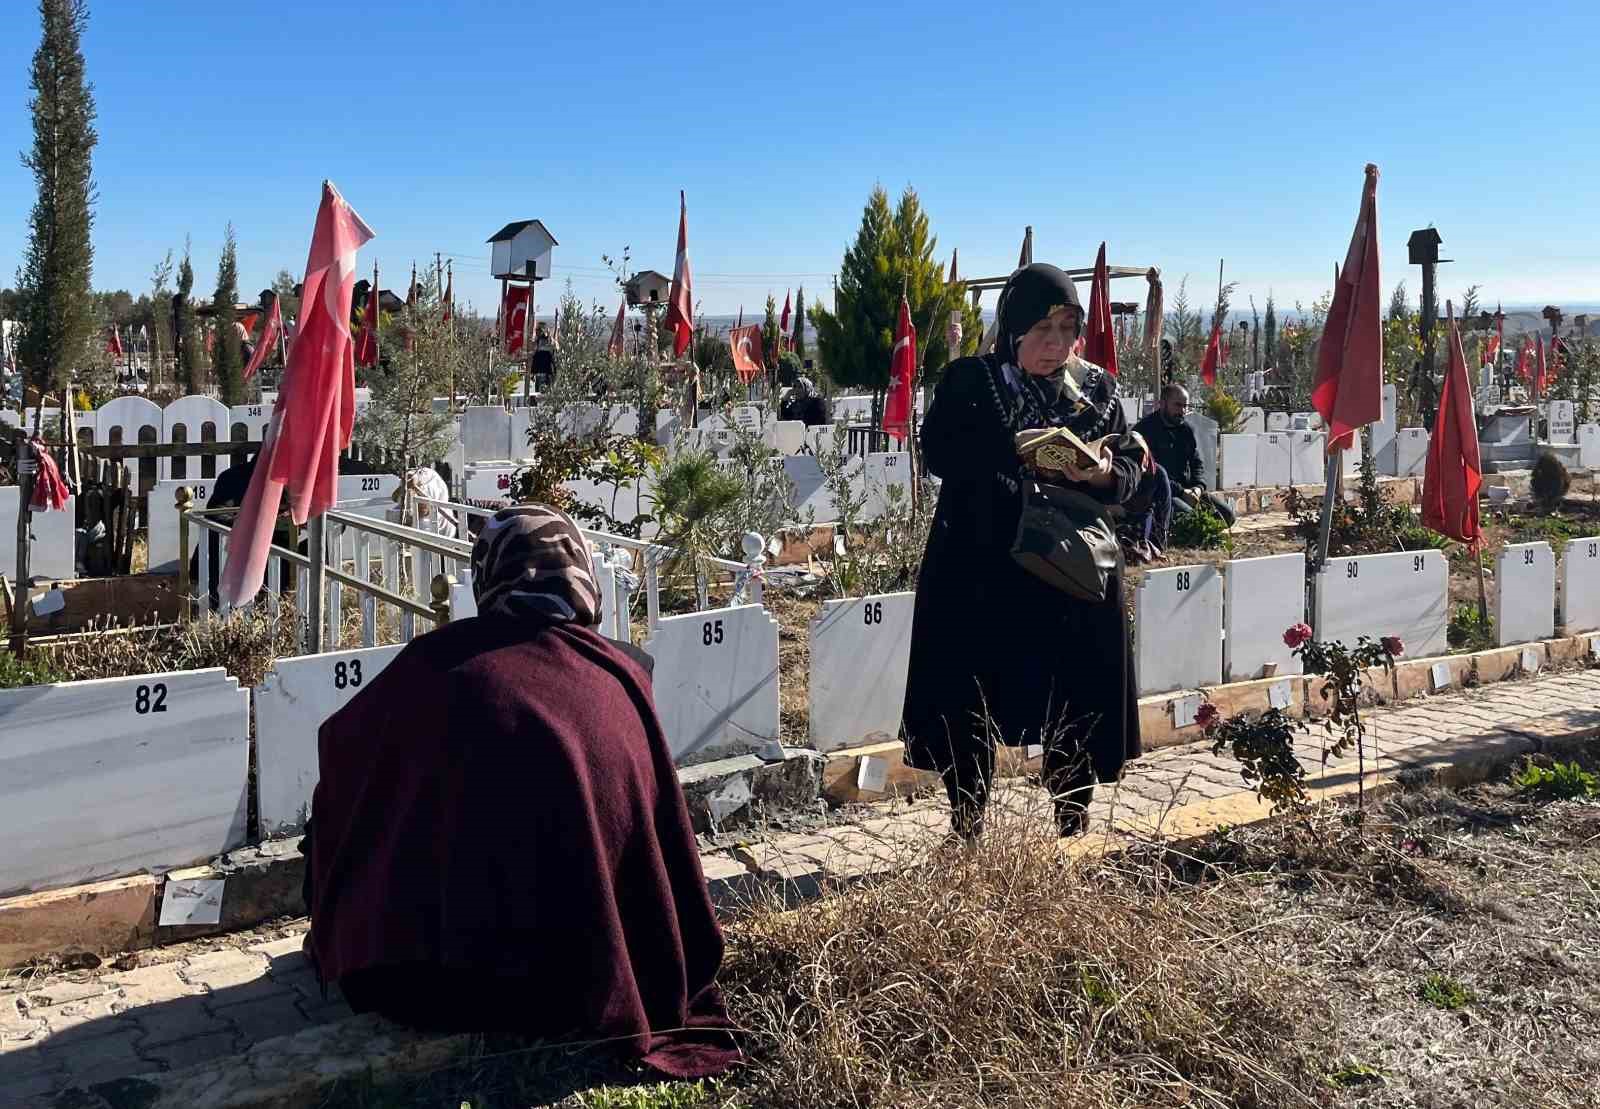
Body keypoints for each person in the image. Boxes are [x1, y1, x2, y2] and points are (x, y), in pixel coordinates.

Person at [302, 506, 739, 1079]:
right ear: (581, 573)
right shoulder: (623, 673)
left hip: (435, 986)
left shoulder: (436, 665)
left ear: (489, 575)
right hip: (590, 977)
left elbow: (342, 751)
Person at [901, 263, 1143, 840]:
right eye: (1042, 330)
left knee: (1075, 691)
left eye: (1066, 329)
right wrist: (1019, 468)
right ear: (1013, 328)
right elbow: (939, 454)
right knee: (972, 693)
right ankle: (968, 824)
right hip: (984, 570)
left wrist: (1104, 473)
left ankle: (1072, 820)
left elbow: (1135, 467)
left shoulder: (1099, 392)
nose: (1056, 345)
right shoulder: (971, 381)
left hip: (1071, 573)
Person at [1133, 385, 1236, 528]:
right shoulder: (1145, 430)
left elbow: (1196, 462)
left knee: (1227, 516)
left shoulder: (1186, 429)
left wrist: (1198, 487)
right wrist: (1181, 492)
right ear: (1162, 403)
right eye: (1177, 405)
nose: (1182, 411)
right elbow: (1150, 473)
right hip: (1162, 493)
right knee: (1193, 522)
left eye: (1185, 406)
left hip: (1189, 491)